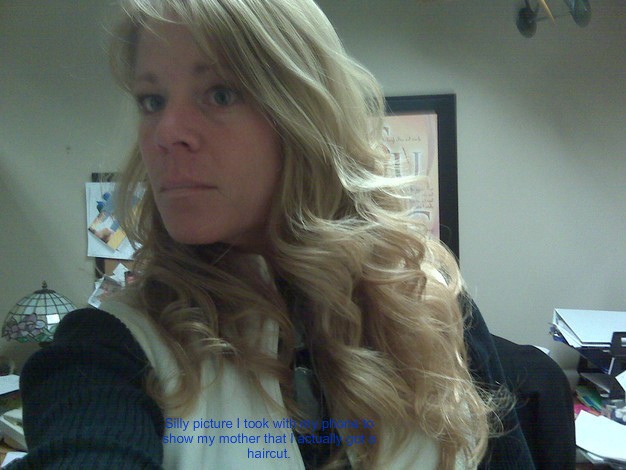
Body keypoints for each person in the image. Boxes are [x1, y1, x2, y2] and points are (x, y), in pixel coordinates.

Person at [11, 0, 534, 468]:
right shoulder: (109, 349)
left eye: (220, 94)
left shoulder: (429, 304)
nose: (166, 132)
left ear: (305, 117)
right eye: (152, 101)